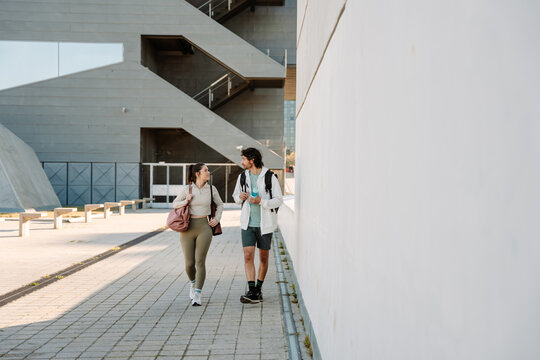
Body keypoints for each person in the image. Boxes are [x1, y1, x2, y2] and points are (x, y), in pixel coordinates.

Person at [233, 148, 283, 303]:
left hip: (265, 224)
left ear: (251, 159)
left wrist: (261, 201)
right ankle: (252, 290)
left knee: (263, 257)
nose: (242, 162)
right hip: (247, 223)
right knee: (248, 255)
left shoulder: (269, 176)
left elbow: (278, 200)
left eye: (243, 159)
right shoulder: (243, 176)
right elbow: (235, 196)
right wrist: (240, 197)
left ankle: (258, 290)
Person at [173, 163, 223, 306]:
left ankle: (198, 294)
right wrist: (186, 200)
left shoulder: (212, 189)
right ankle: (193, 283)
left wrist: (217, 218)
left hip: (204, 228)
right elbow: (174, 204)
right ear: (197, 173)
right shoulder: (187, 189)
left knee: (200, 261)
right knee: (189, 264)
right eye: (206, 170)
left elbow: (220, 204)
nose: (208, 172)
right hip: (187, 229)